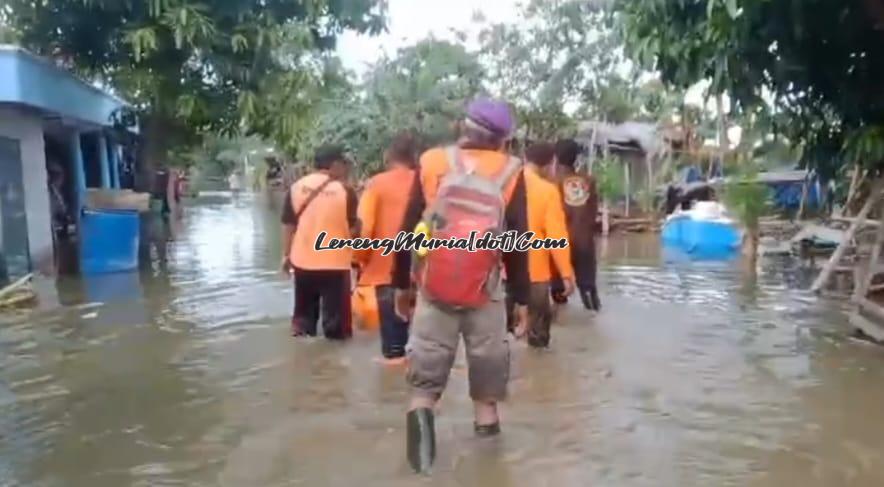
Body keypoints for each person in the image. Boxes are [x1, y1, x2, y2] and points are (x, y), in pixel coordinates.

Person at [392, 98, 531, 473]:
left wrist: (400, 287)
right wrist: (522, 300)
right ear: (503, 140)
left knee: (422, 391)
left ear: (462, 127)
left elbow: (408, 228)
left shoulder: (432, 162)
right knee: (486, 395)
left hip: (433, 290)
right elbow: (518, 240)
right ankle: (489, 474)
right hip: (485, 293)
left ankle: (420, 471)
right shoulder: (512, 170)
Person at [281, 145, 358, 340]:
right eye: (343, 164)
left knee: (303, 323)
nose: (345, 169)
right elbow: (353, 229)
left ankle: (303, 360)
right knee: (336, 328)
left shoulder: (296, 188)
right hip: (335, 265)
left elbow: (289, 225)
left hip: (303, 263)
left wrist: (286, 255)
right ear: (334, 165)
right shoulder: (345, 191)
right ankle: (334, 364)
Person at [354, 133, 418, 364]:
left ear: (388, 157)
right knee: (427, 348)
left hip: (387, 273)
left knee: (394, 354)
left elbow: (365, 228)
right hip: (426, 274)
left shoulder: (376, 184)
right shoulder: (428, 184)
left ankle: (394, 395)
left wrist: (358, 259)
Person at [507, 142, 575, 348]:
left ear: (525, 159)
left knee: (497, 338)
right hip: (534, 274)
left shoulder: (504, 184)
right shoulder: (548, 191)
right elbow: (557, 237)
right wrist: (566, 274)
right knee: (538, 342)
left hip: (502, 271)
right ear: (550, 164)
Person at [549, 139, 601, 311]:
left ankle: (563, 328)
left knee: (558, 290)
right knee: (588, 288)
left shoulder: (551, 183)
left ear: (555, 158)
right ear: (576, 158)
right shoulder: (589, 181)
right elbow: (593, 214)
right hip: (584, 242)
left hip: (559, 243)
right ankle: (594, 321)